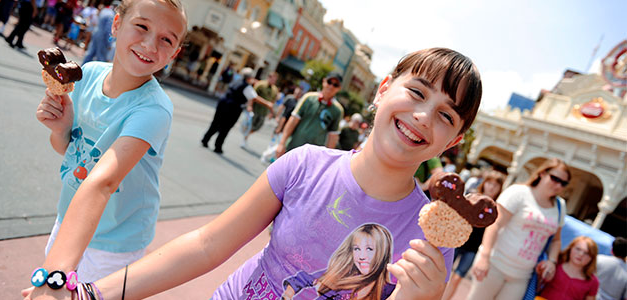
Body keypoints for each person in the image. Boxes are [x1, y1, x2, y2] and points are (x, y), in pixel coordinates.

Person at [28, 47, 483, 300]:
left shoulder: (431, 247)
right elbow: (207, 245)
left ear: (455, 141)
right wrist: (87, 295)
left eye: (446, 116)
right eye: (417, 91)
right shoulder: (304, 164)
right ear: (384, 90)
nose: (423, 116)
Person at [21, 0, 187, 298]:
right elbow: (69, 152)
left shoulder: (154, 109)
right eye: (142, 26)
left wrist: (54, 276)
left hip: (116, 240)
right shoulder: (88, 75)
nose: (150, 44)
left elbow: (104, 181)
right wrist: (61, 129)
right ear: (116, 24)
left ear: (174, 54)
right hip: (70, 217)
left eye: (166, 39)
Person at [468, 158, 571, 300]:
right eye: (554, 178)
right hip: (494, 265)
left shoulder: (560, 206)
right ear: (542, 173)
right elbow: (495, 225)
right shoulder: (519, 192)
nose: (558, 185)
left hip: (522, 275)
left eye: (563, 183)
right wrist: (484, 258)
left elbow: (556, 240)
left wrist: (552, 261)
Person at [281, 223, 395, 299]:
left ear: (382, 252)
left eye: (369, 249)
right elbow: (302, 278)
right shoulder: (341, 275)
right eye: (357, 249)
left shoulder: (390, 292)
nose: (361, 256)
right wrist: (287, 295)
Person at [441, 170, 505, 300]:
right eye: (489, 183)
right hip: (458, 241)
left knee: (458, 277)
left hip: (474, 248)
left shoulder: (497, 208)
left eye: (495, 185)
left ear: (499, 188)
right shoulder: (473, 196)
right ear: (484, 183)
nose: (491, 187)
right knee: (443, 273)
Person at [200, 67, 274, 154]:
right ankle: (218, 146)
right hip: (233, 108)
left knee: (216, 123)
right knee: (226, 127)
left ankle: (205, 139)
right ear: (249, 78)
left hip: (223, 103)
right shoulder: (247, 87)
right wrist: (268, 104)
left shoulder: (237, 81)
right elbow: (255, 97)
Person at [275, 72, 345, 158]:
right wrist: (282, 143)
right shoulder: (308, 98)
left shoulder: (338, 110)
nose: (331, 86)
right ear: (324, 81)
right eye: (329, 82)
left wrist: (327, 159)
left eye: (335, 85)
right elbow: (293, 121)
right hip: (293, 148)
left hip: (313, 157)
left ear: (339, 88)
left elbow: (333, 136)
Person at [538, 236, 599, 300]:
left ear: (592, 258)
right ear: (571, 248)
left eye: (586, 253)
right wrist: (540, 275)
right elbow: (536, 287)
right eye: (578, 249)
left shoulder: (593, 281)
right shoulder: (555, 263)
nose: (581, 254)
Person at [242, 72, 279, 147]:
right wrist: (250, 106)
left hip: (264, 112)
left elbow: (273, 101)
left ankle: (246, 135)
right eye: (272, 79)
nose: (273, 81)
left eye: (275, 80)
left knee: (257, 127)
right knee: (250, 125)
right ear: (269, 77)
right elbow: (252, 96)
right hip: (256, 109)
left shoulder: (275, 89)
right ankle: (245, 137)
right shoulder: (260, 84)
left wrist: (271, 112)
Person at [82, 0, 114, 64]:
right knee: (101, 58)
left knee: (90, 53)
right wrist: (109, 43)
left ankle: (82, 68)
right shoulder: (111, 14)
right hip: (102, 37)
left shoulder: (103, 11)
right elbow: (108, 30)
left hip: (95, 33)